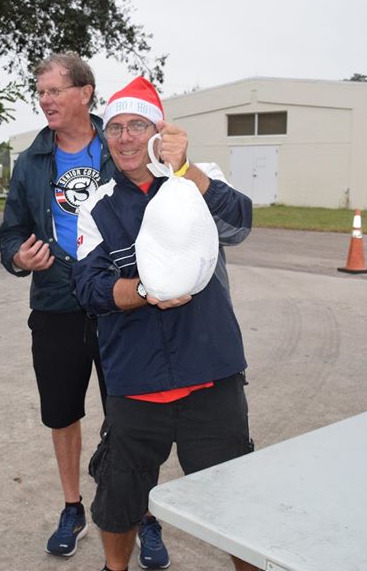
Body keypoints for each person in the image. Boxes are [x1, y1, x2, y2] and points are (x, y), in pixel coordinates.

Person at [72, 77, 257, 571]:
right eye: (115, 128)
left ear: (161, 132)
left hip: (209, 372)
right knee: (119, 500)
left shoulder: (197, 178)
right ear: (104, 138)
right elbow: (88, 289)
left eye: (138, 125)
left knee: (235, 503)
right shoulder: (97, 203)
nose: (126, 137)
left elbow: (239, 224)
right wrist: (145, 291)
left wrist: (183, 169)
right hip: (136, 379)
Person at [0, 52, 119, 558]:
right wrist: (20, 257)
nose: (45, 100)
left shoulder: (119, 146)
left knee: (131, 412)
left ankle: (141, 511)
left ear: (84, 93)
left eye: (54, 91)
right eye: (40, 92)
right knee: (62, 413)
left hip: (121, 302)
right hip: (55, 302)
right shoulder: (31, 160)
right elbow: (9, 234)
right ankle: (74, 507)